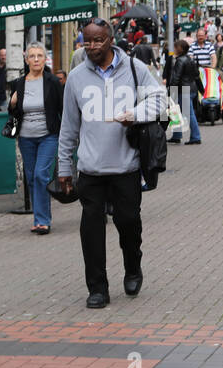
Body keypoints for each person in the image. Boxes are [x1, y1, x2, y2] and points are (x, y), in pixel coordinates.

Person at [56, 19, 165, 308]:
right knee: (91, 230)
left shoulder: (134, 68)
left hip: (126, 166)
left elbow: (161, 99)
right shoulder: (77, 77)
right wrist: (64, 168)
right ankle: (98, 288)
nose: (91, 46)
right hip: (90, 169)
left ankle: (133, 265)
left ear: (110, 39)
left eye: (98, 41)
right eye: (87, 41)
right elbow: (68, 125)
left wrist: (135, 113)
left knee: (128, 222)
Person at [7, 42, 64, 234]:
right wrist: (12, 102)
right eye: (32, 56)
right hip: (25, 137)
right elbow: (13, 112)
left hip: (48, 135)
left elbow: (62, 109)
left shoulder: (53, 82)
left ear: (45, 58)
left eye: (40, 55)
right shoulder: (19, 83)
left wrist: (68, 135)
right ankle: (38, 217)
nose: (37, 59)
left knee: (41, 175)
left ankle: (43, 220)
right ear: (27, 60)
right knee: (31, 178)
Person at [165, 40, 202, 145]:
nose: (174, 49)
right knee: (177, 112)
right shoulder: (190, 59)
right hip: (191, 89)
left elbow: (176, 78)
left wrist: (170, 92)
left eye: (175, 47)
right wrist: (201, 89)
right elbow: (197, 75)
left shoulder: (180, 61)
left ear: (180, 49)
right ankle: (177, 135)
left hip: (183, 90)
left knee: (188, 113)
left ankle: (195, 136)